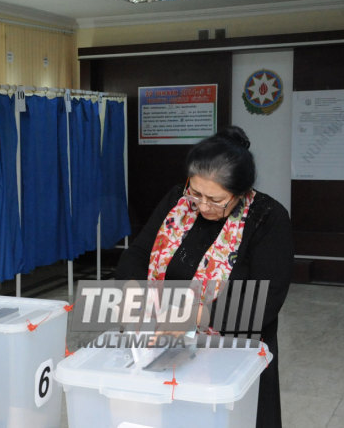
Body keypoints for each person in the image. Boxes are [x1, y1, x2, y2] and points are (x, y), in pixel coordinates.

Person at [115, 126, 292, 428]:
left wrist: (194, 315)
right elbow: (140, 251)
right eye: (195, 193)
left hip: (231, 354)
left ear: (241, 192)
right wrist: (133, 291)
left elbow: (265, 300)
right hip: (163, 345)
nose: (202, 205)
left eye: (216, 199)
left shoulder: (268, 218)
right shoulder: (178, 200)